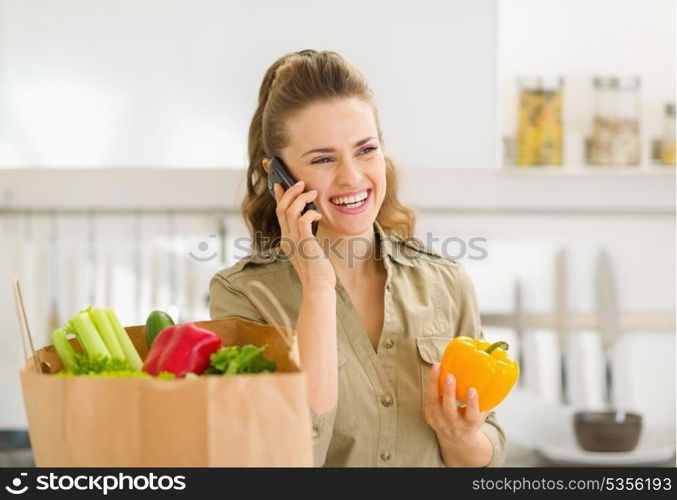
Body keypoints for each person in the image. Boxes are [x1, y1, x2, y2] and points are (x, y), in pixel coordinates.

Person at [209, 49, 506, 467]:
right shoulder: (245, 295)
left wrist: (460, 439)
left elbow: (486, 443)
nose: (352, 177)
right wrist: (317, 288)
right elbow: (281, 458)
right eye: (324, 159)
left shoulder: (446, 281)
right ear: (279, 175)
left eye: (365, 150)